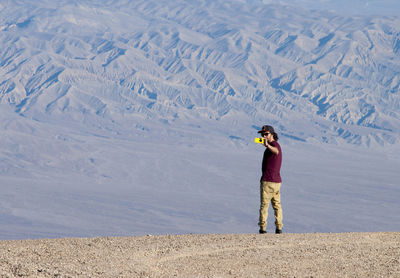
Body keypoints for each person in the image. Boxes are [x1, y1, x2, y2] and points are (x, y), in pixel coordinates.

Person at [257, 125, 283, 234]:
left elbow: (275, 151)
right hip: (277, 181)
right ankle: (279, 228)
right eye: (263, 134)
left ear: (272, 134)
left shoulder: (274, 145)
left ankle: (263, 229)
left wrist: (267, 145)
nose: (264, 136)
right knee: (277, 205)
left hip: (268, 181)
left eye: (266, 134)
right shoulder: (273, 146)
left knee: (265, 205)